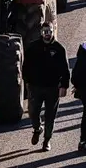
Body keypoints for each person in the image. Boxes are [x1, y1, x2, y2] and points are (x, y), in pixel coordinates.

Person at [25, 23, 70, 151]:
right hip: (35, 87)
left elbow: (65, 69)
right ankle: (37, 128)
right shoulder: (33, 47)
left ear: (52, 31)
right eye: (45, 31)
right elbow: (26, 66)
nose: (47, 34)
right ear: (41, 32)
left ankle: (47, 140)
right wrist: (27, 81)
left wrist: (64, 86)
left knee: (50, 116)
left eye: (49, 31)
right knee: (33, 112)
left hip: (52, 88)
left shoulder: (59, 49)